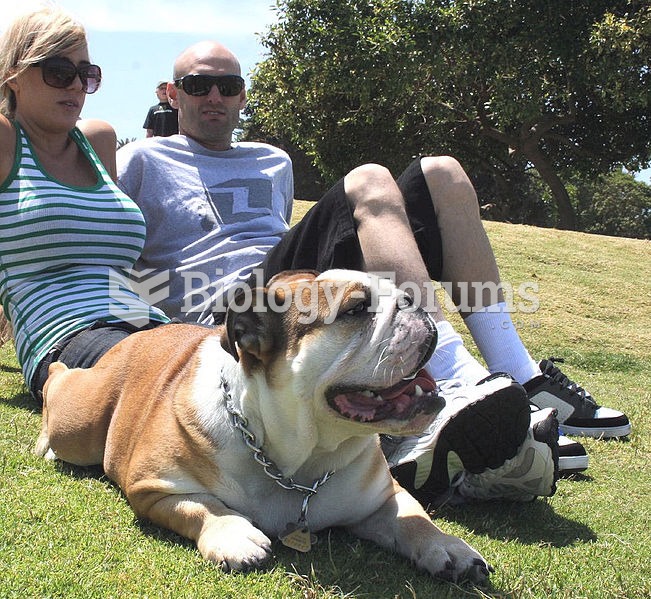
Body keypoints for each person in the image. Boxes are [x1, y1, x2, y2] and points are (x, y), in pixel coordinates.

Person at [116, 41, 631, 503]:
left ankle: (521, 377)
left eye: (227, 86)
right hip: (235, 312)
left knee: (442, 173)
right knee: (366, 180)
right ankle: (455, 387)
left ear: (243, 96)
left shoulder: (272, 160)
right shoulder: (138, 158)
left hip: (297, 293)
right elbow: (99, 230)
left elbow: (282, 243)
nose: (214, 97)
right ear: (170, 93)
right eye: (196, 85)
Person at [0, 7, 170, 405]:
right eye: (58, 71)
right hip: (62, 336)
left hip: (146, 324)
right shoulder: (6, 140)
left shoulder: (98, 140)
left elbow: (120, 267)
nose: (76, 85)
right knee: (160, 385)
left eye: (86, 74)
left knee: (224, 369)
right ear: (15, 78)